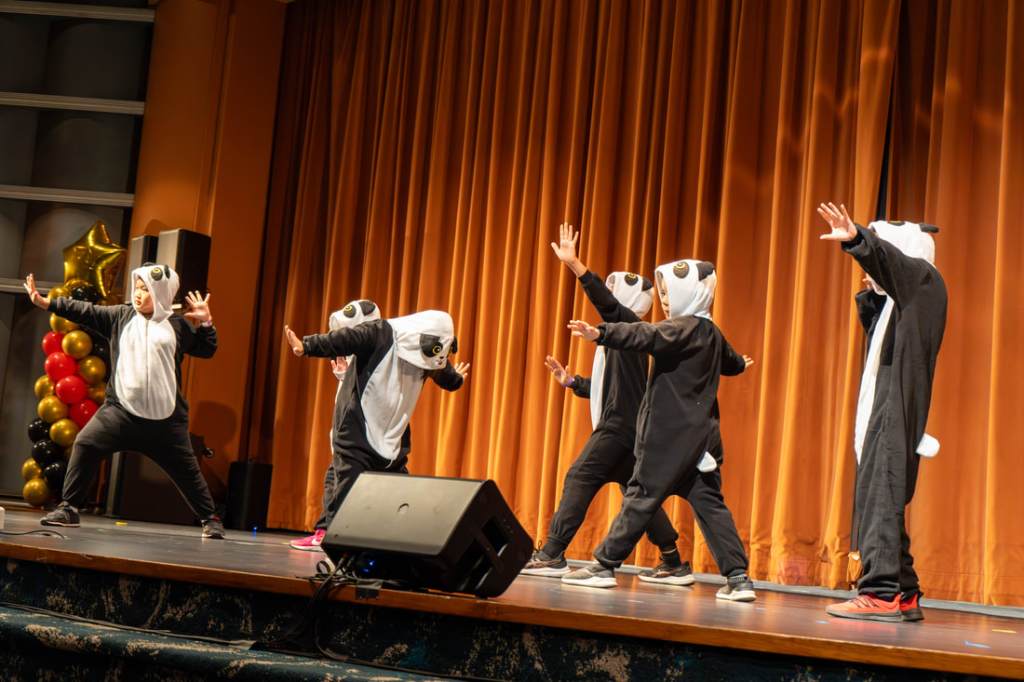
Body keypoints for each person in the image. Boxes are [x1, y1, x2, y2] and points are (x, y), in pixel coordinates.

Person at [560, 259, 757, 602]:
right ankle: (738, 578)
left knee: (640, 498)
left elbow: (644, 335)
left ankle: (604, 566)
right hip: (701, 444)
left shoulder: (680, 328)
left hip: (667, 440)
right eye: (662, 295)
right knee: (710, 506)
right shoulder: (711, 332)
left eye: (669, 294)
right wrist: (741, 363)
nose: (665, 302)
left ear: (691, 292)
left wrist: (601, 333)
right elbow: (731, 362)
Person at [522, 224, 689, 585]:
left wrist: (575, 265)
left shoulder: (628, 324)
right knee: (638, 495)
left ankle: (552, 554)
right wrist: (573, 383)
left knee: (579, 476)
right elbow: (613, 389)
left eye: (616, 291)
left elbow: (606, 304)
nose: (610, 296)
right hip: (628, 428)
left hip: (618, 427)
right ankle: (673, 561)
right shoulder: (625, 338)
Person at [24, 267, 224, 538]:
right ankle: (69, 508)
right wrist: (48, 303)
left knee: (187, 470)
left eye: (146, 290)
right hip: (119, 414)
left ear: (161, 293)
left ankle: (210, 519)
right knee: (85, 444)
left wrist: (207, 323)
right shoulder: (121, 316)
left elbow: (207, 350)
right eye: (137, 288)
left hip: (165, 421)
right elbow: (85, 311)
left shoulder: (178, 326)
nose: (138, 294)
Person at [817, 202, 946, 622]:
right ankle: (905, 591)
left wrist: (859, 239)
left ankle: (880, 592)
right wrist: (874, 285)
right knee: (881, 497)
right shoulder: (902, 300)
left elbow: (893, 263)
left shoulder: (924, 280)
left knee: (881, 496)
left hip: (895, 408)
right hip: (885, 405)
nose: (867, 273)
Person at [283, 309, 469, 533]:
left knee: (398, 503)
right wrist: (306, 346)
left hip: (393, 441)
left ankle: (384, 544)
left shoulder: (429, 355)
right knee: (346, 500)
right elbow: (345, 339)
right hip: (357, 433)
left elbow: (443, 372)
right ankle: (336, 542)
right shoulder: (381, 333)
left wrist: (456, 380)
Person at [290, 299, 381, 551]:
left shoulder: (374, 352)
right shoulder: (358, 355)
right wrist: (344, 375)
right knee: (336, 481)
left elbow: (368, 395)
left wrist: (305, 346)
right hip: (350, 438)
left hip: (360, 440)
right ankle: (327, 532)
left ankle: (329, 533)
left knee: (339, 482)